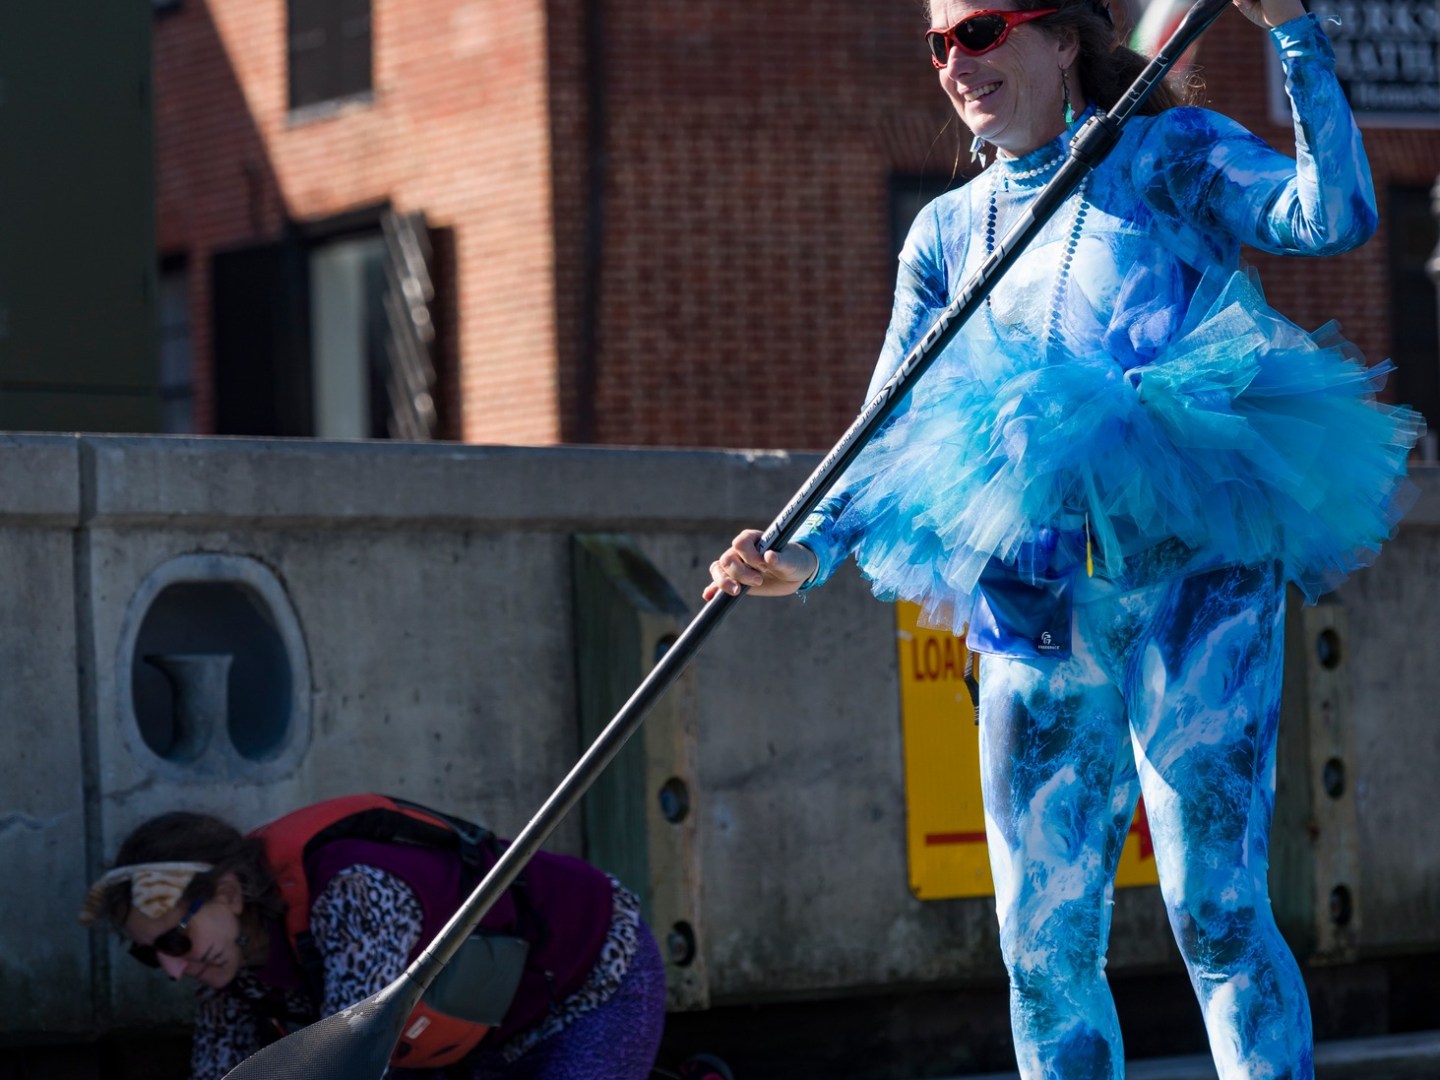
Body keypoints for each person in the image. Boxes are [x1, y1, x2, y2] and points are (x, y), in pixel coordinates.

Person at [707, 0, 1422, 1077]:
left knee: (1217, 909)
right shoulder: (947, 233)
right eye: (939, 42)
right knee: (1041, 944)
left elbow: (1336, 216)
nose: (957, 62)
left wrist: (1294, 35)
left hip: (1199, 580)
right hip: (1035, 598)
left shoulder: (1169, 155)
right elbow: (887, 420)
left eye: (983, 30)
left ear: (1061, 40)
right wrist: (805, 552)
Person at [79, 794, 667, 1080]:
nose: (174, 969)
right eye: (149, 954)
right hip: (487, 1031)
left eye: (175, 940)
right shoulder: (223, 967)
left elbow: (352, 1063)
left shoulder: (352, 895)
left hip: (591, 977)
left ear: (230, 895)